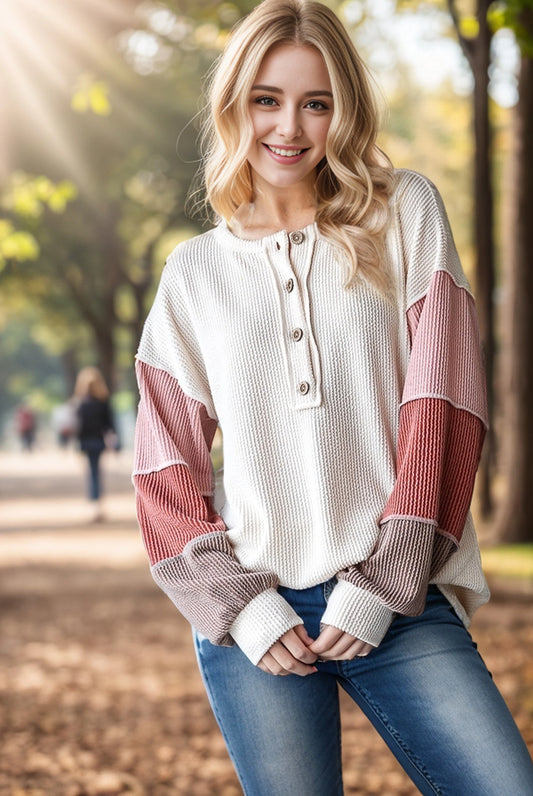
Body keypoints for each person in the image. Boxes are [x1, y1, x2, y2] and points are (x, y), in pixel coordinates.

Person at [132, 2, 533, 793]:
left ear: (342, 111)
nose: (289, 126)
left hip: (398, 594)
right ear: (234, 105)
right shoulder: (194, 274)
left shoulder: (404, 212)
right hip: (259, 613)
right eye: (266, 100)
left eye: (315, 102)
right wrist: (240, 607)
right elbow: (163, 470)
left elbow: (444, 410)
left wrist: (384, 584)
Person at [74, 366, 115, 521]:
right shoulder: (103, 403)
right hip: (98, 442)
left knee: (92, 472)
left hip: (86, 442)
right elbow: (109, 425)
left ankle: (94, 504)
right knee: (96, 472)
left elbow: (78, 427)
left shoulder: (80, 404)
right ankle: (97, 505)